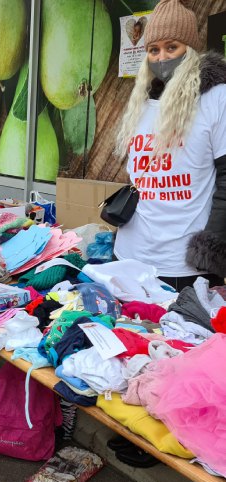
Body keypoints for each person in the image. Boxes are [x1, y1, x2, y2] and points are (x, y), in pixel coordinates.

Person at [113, 0, 226, 293]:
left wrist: (210, 250)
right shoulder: (141, 101)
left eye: (172, 47)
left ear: (190, 49)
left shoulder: (216, 98)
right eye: (154, 49)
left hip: (183, 267)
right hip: (129, 256)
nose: (162, 57)